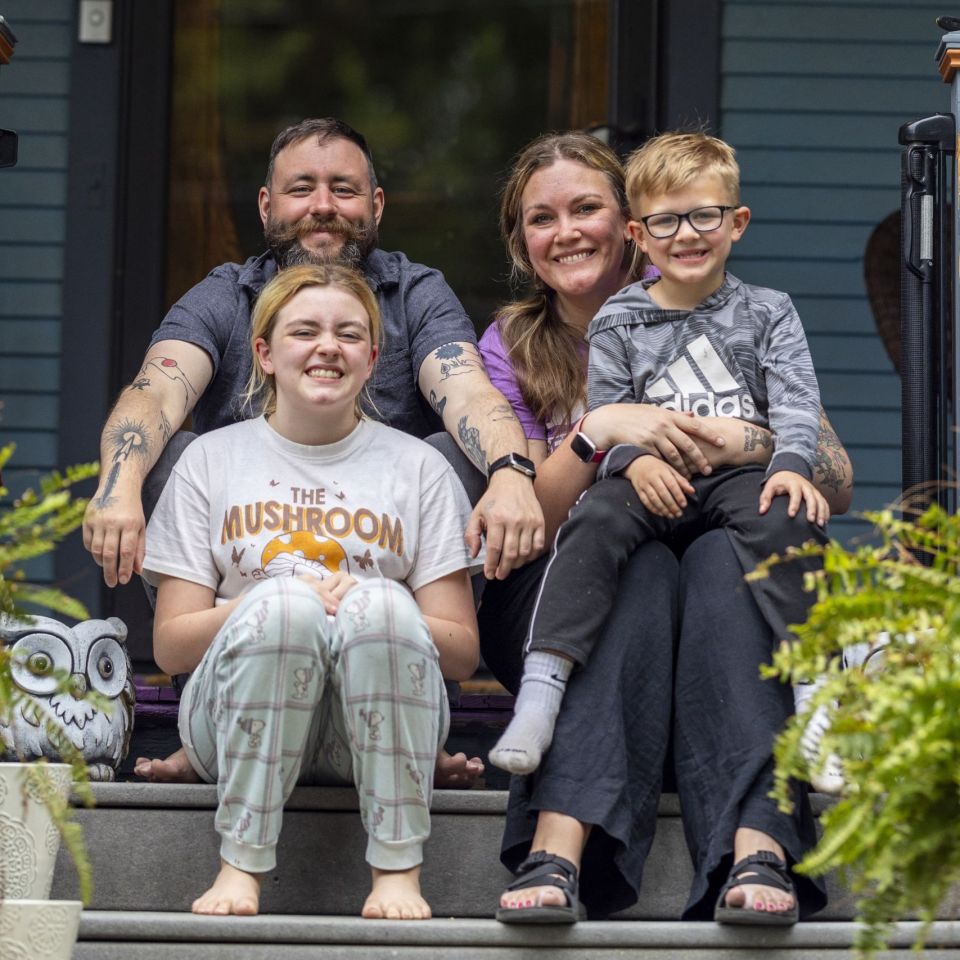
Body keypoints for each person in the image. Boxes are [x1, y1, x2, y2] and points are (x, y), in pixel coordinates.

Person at [475, 131, 853, 926]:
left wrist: (736, 442)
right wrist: (603, 432)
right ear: (522, 241)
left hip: (719, 552)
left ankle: (759, 848)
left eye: (586, 208)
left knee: (724, 563)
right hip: (581, 578)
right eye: (543, 218)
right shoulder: (508, 347)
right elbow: (531, 521)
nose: (568, 231)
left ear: (625, 225)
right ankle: (558, 843)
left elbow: (831, 474)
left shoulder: (737, 308)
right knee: (643, 574)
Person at [141, 263, 479, 919]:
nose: (328, 346)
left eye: (349, 334)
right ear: (265, 352)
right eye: (305, 330)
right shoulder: (210, 461)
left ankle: (397, 872)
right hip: (232, 715)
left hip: (375, 720)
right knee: (288, 606)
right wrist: (263, 601)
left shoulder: (421, 468)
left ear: (373, 357)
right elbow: (172, 646)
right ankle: (239, 866)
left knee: (381, 603)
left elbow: (462, 652)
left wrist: (366, 599)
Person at [83, 117, 543, 593]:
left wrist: (511, 471)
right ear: (266, 206)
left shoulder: (413, 293)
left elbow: (467, 393)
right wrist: (117, 485)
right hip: (243, 581)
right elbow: (156, 393)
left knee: (458, 455)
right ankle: (200, 652)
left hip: (387, 582)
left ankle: (427, 650)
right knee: (164, 457)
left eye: (343, 189)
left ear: (376, 206)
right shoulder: (225, 296)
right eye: (301, 189)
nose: (323, 206)